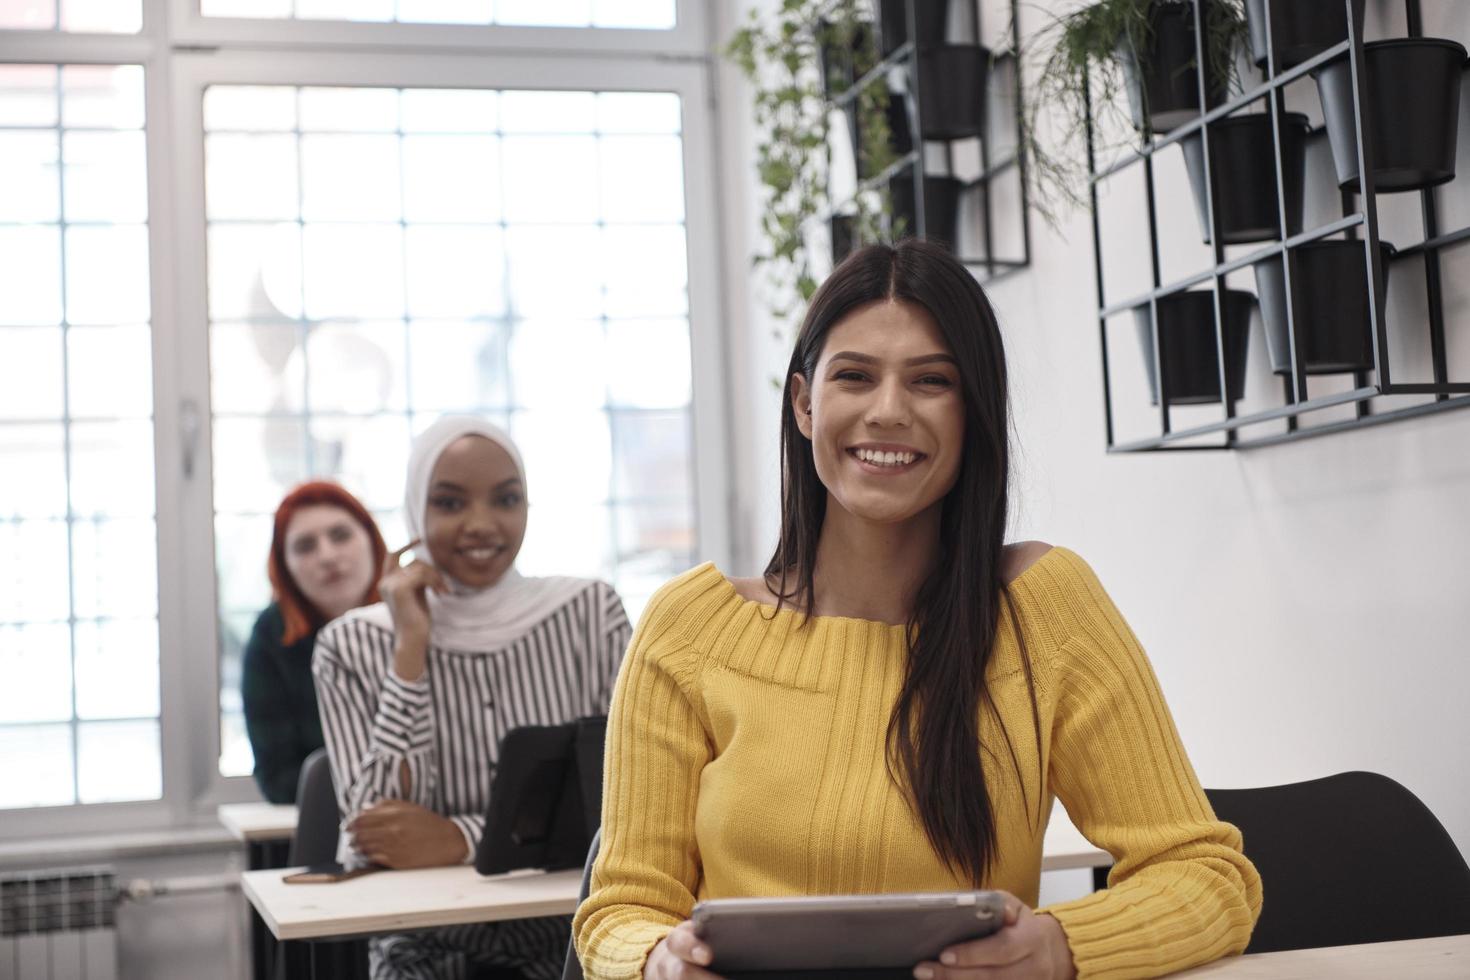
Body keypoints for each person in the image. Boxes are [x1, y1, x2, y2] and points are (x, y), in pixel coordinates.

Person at [574, 240, 1262, 980]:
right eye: (855, 377)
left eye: (931, 381)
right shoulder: (691, 629)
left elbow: (1206, 876)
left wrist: (1064, 946)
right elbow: (619, 909)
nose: (889, 411)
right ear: (806, 404)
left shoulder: (1044, 610)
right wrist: (655, 961)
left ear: (973, 413)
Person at [313, 415, 633, 980]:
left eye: (506, 500)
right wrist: (410, 648)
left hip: (571, 940)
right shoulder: (352, 644)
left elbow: (623, 807)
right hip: (422, 950)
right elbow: (373, 837)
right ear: (416, 510)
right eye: (450, 503)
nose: (482, 525)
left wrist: (457, 837)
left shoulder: (590, 614)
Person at [243, 481, 387, 804]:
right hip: (329, 827)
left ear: (371, 538)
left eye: (340, 535)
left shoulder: (419, 614)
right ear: (285, 566)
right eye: (306, 546)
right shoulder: (271, 637)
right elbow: (277, 780)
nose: (327, 556)